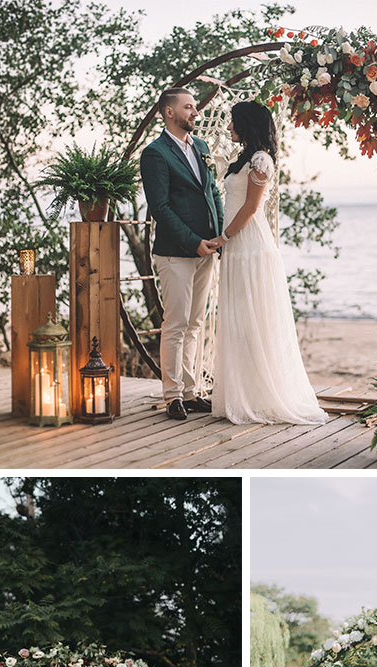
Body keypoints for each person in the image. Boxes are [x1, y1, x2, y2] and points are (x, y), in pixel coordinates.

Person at [213, 102, 324, 427]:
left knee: (254, 319)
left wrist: (224, 238)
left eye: (233, 123)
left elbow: (250, 208)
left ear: (247, 125)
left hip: (249, 245)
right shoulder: (242, 159)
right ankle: (242, 392)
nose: (229, 128)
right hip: (236, 245)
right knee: (238, 320)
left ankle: (262, 396)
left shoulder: (261, 160)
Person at [140, 87, 224, 420]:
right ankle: (172, 394)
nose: (195, 112)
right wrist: (193, 242)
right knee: (175, 324)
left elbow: (212, 191)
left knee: (195, 323)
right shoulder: (155, 153)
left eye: (195, 107)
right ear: (169, 112)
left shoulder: (201, 146)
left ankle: (191, 392)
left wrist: (218, 235)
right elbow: (160, 207)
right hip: (176, 252)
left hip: (207, 247)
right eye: (188, 107)